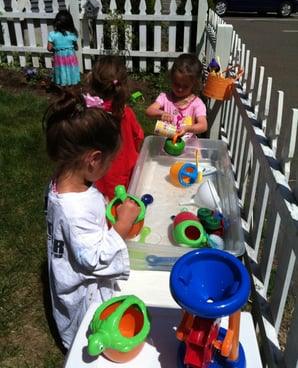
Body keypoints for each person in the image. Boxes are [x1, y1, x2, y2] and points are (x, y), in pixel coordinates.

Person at [43, 91, 141, 350]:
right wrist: (122, 225)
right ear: (94, 159)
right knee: (89, 327)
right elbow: (92, 260)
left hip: (70, 269)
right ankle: (79, 346)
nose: (109, 168)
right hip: (83, 290)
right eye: (109, 162)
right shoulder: (75, 210)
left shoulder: (60, 184)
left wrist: (103, 205)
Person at [88, 55, 144, 202]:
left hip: (100, 170)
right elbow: (139, 135)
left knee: (105, 203)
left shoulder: (92, 114)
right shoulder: (125, 113)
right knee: (124, 202)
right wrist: (132, 149)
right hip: (126, 166)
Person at [146, 53, 208, 138]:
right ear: (172, 78)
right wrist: (161, 113)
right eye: (176, 84)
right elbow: (149, 111)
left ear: (194, 84)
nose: (180, 89)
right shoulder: (165, 98)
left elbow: (203, 125)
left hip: (187, 146)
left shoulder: (197, 104)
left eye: (185, 86)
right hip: (166, 144)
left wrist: (188, 128)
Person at [47, 10, 80, 87]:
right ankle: (70, 89)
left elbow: (49, 48)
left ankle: (63, 89)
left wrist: (57, 48)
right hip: (70, 58)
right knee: (71, 71)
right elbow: (76, 48)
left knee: (61, 71)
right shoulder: (72, 35)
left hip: (59, 58)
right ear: (70, 23)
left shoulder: (52, 34)